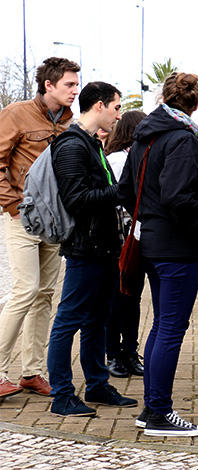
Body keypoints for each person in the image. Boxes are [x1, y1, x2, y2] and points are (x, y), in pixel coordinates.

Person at [119, 72, 198, 437]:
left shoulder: (145, 136)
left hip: (152, 242)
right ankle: (159, 412)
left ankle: (151, 408)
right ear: (194, 103)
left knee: (161, 326)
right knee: (171, 328)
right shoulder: (183, 139)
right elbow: (177, 196)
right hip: (176, 245)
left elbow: (125, 190)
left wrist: (150, 216)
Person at [47, 81, 138, 417]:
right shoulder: (72, 145)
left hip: (103, 247)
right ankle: (62, 395)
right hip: (85, 248)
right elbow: (76, 200)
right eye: (116, 107)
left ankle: (97, 385)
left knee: (97, 320)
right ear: (99, 106)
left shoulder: (91, 144)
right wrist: (122, 192)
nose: (118, 115)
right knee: (68, 320)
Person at [0, 57, 79, 399]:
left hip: (55, 222)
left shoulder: (69, 122)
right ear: (49, 85)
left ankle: (31, 371)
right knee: (25, 290)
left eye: (77, 85)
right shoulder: (17, 113)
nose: (75, 91)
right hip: (22, 217)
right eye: (69, 85)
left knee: (45, 295)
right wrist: (14, 206)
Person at [104, 110, 147, 378]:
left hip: (137, 235)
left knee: (133, 296)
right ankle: (114, 354)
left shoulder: (136, 155)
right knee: (118, 297)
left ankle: (130, 351)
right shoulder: (117, 160)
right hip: (121, 237)